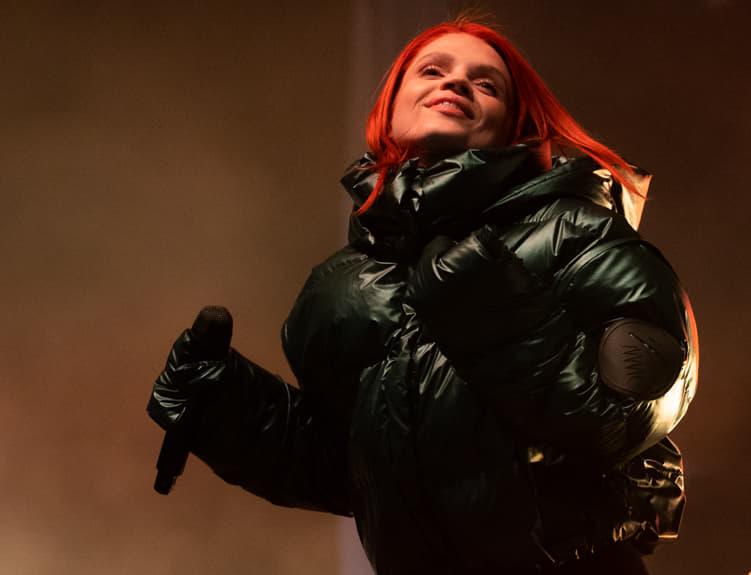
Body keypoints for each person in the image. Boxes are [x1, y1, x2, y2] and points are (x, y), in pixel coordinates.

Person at [147, 15, 698, 575]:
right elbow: (353, 472)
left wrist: (488, 311)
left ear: (515, 126)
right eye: (432, 71)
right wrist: (225, 409)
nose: (455, 83)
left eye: (486, 84)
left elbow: (630, 414)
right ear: (389, 108)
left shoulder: (578, 231)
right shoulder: (342, 288)